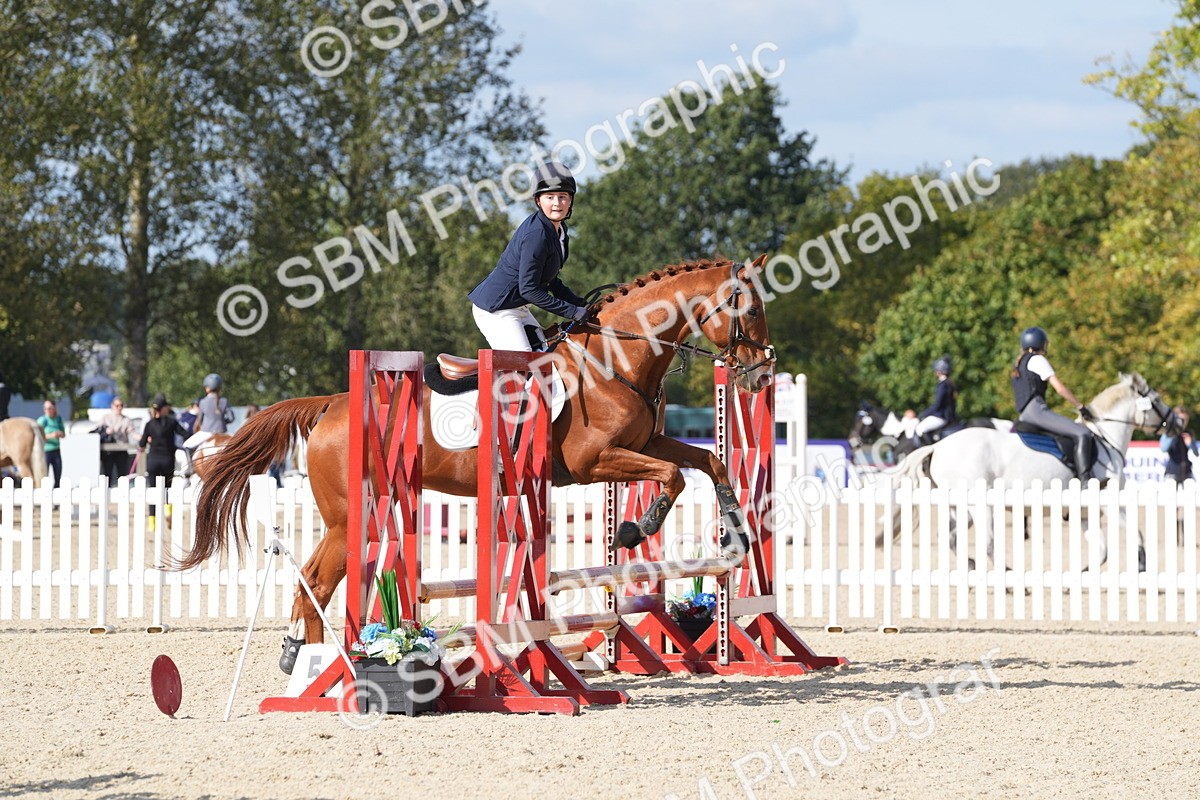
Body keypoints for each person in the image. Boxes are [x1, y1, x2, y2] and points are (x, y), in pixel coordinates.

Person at [467, 162, 590, 352]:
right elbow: (529, 289)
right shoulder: (537, 236)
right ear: (538, 201)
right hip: (497, 310)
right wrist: (572, 312)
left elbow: (549, 280)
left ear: (570, 200)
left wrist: (580, 303)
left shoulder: (560, 232)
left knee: (547, 356)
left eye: (562, 197)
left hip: (519, 308)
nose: (557, 203)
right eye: (550, 197)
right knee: (525, 363)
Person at [1010, 326, 1096, 481]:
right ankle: (1086, 481)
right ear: (1042, 344)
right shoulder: (1037, 359)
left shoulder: (1019, 363)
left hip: (1024, 414)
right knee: (1083, 433)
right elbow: (1060, 388)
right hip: (1037, 411)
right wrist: (1080, 406)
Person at [138, 394, 191, 529]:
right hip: (167, 459)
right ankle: (168, 511)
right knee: (167, 488)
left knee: (152, 490)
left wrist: (145, 443)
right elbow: (185, 434)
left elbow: (142, 443)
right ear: (163, 408)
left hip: (153, 460)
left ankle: (152, 523)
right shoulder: (172, 422)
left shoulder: (149, 424)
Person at [912, 355, 958, 446]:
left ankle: (931, 451)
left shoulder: (943, 385)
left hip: (942, 416)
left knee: (920, 429)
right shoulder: (950, 383)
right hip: (949, 415)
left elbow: (937, 405)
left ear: (939, 371)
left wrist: (923, 414)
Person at [99, 396, 136, 486]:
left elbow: (132, 432)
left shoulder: (126, 419)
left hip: (121, 450)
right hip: (108, 451)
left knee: (122, 476)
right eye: (117, 405)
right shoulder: (105, 418)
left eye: (121, 405)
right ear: (112, 406)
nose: (119, 407)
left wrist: (142, 439)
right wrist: (106, 431)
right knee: (107, 475)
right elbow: (97, 431)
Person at [1161, 406, 1198, 484]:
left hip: (1187, 472)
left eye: (1186, 420)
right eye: (1182, 420)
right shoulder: (1168, 433)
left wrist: (1190, 444)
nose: (1184, 422)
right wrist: (1173, 433)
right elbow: (1163, 449)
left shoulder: (1189, 433)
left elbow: (1196, 453)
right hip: (1172, 472)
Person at [36, 399, 65, 489]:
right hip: (45, 451)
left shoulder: (58, 419)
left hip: (56, 450)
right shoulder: (42, 420)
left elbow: (64, 434)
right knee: (44, 475)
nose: (47, 410)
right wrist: (51, 435)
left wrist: (59, 434)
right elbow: (38, 436)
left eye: (49, 408)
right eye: (45, 408)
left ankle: (56, 495)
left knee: (57, 474)